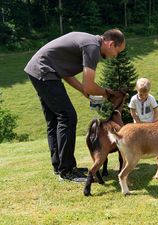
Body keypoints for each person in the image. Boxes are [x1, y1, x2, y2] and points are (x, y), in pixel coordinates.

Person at [24, 29, 126, 182]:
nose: (115, 56)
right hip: (44, 70)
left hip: (39, 69)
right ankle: (67, 170)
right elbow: (89, 86)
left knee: (55, 120)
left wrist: (83, 91)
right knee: (67, 116)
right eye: (117, 51)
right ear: (111, 44)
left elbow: (66, 71)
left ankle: (59, 167)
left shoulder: (89, 42)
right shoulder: (92, 47)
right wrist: (109, 93)